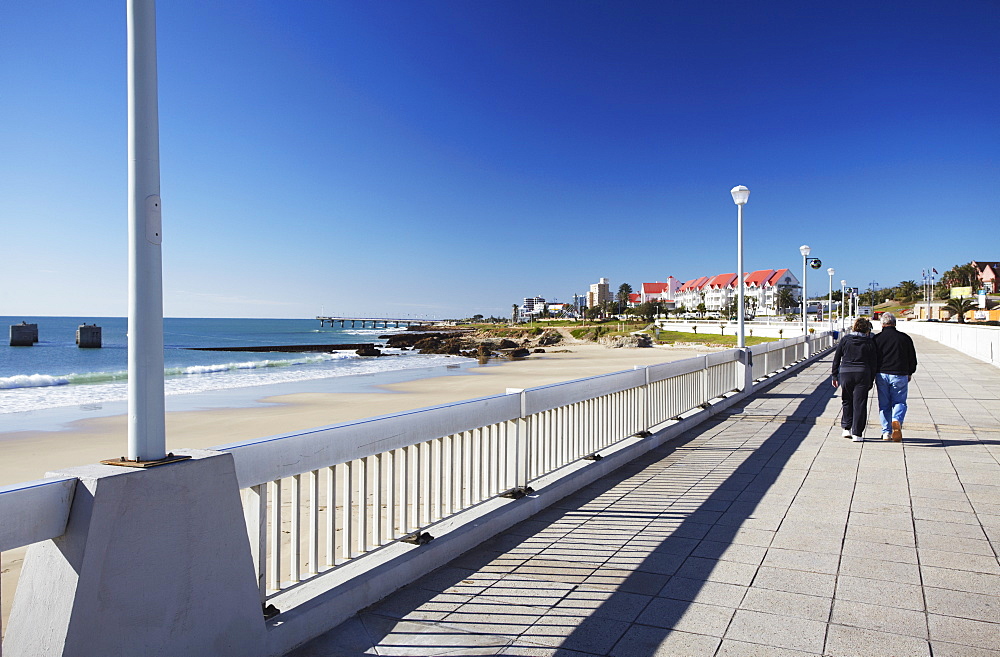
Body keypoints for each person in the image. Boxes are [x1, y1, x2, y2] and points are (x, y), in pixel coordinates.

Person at [832, 317, 879, 442]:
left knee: (847, 400)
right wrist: (872, 378)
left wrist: (834, 375)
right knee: (860, 403)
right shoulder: (869, 342)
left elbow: (837, 358)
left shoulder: (845, 340)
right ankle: (857, 433)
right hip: (863, 373)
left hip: (846, 373)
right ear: (867, 328)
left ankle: (846, 428)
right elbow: (874, 362)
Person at [873, 312, 917, 442]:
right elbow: (912, 358)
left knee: (884, 404)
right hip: (899, 374)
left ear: (882, 324)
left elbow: (872, 358)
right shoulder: (905, 338)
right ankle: (896, 420)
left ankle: (886, 432)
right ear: (895, 323)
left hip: (881, 374)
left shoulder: (876, 339)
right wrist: (910, 372)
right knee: (899, 401)